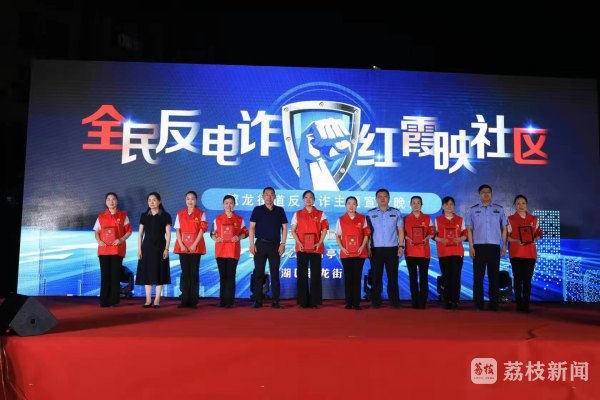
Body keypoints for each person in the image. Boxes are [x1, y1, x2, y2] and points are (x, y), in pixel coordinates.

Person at [466, 184, 507, 311]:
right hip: (478, 247)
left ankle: (494, 304)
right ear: (479, 195)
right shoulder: (472, 210)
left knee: (494, 276)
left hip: (494, 246)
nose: (486, 194)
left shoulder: (499, 209)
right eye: (483, 192)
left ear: (491, 194)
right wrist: (471, 247)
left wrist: (503, 245)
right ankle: (478, 304)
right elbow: (469, 229)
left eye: (488, 192)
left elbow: (504, 228)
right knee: (478, 277)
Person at [248, 187, 288, 308]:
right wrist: (251, 244)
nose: (269, 197)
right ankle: (257, 300)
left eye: (271, 194)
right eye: (266, 194)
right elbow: (252, 227)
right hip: (260, 244)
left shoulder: (280, 210)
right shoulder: (257, 210)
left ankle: (276, 301)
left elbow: (285, 228)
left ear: (275, 196)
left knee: (275, 273)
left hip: (275, 246)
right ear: (263, 197)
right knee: (258, 273)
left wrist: (283, 244)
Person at [366, 188, 405, 308]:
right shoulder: (370, 214)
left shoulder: (396, 212)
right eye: (380, 196)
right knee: (376, 276)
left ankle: (394, 301)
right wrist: (368, 248)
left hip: (392, 248)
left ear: (389, 198)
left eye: (385, 196)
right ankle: (376, 302)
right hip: (376, 249)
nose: (382, 199)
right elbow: (367, 233)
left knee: (392, 276)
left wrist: (401, 246)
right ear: (376, 199)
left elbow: (400, 231)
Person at [291, 190, 329, 308]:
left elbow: (325, 229)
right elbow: (293, 230)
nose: (308, 199)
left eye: (311, 197)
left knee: (316, 274)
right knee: (301, 274)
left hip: (316, 248)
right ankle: (303, 301)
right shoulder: (297, 214)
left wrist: (319, 242)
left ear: (314, 199)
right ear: (303, 200)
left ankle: (314, 301)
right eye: (306, 197)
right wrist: (299, 243)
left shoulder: (320, 214)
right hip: (302, 248)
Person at [93, 192, 132, 307]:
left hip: (117, 249)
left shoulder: (123, 215)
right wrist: (99, 241)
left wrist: (121, 239)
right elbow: (97, 232)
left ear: (117, 201)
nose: (111, 201)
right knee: (105, 275)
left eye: (113, 199)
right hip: (104, 249)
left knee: (115, 275)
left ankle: (114, 301)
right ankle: (104, 300)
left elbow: (129, 231)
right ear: (106, 202)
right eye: (108, 199)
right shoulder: (101, 216)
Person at [210, 195, 248, 308]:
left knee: (231, 276)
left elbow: (245, 233)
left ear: (234, 205)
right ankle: (222, 300)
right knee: (223, 276)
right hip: (221, 250)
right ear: (223, 205)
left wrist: (238, 237)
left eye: (231, 203)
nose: (228, 205)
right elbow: (212, 233)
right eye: (226, 203)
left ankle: (230, 301)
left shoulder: (239, 219)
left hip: (233, 250)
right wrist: (216, 238)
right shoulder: (217, 218)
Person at [506, 194, 542, 313]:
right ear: (515, 206)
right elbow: (507, 237)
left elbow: (539, 233)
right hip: (516, 253)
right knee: (517, 279)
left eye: (523, 203)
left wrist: (535, 238)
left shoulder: (534, 219)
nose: (521, 205)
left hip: (530, 254)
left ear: (526, 205)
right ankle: (518, 304)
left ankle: (526, 305)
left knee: (527, 280)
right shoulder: (510, 219)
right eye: (518, 203)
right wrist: (517, 241)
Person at [136, 192, 172, 308]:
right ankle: (148, 300)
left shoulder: (165, 215)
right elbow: (140, 234)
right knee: (146, 273)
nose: (151, 202)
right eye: (149, 200)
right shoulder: (144, 215)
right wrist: (139, 249)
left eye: (154, 200)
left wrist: (166, 249)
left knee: (159, 272)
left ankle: (156, 299)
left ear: (159, 201)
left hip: (160, 247)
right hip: (146, 247)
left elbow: (168, 234)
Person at [335, 196, 370, 310]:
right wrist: (342, 248)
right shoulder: (341, 219)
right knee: (348, 277)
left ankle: (356, 303)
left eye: (354, 203)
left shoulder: (362, 218)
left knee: (357, 277)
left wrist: (362, 246)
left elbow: (366, 234)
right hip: (346, 253)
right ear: (345, 205)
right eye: (349, 203)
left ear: (356, 205)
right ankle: (348, 302)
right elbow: (337, 235)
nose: (351, 206)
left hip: (359, 253)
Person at [173, 191, 207, 309]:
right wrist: (181, 245)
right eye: (188, 199)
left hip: (195, 248)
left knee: (194, 273)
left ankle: (193, 300)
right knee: (185, 273)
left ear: (196, 200)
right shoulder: (180, 213)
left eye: (192, 199)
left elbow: (202, 230)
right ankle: (184, 299)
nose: (190, 201)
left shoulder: (201, 214)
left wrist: (194, 245)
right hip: (182, 247)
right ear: (185, 200)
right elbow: (178, 230)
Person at [434, 196, 467, 310]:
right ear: (442, 206)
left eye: (451, 204)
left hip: (457, 252)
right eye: (447, 204)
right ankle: (447, 300)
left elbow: (465, 233)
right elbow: (433, 235)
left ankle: (455, 300)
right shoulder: (438, 219)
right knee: (446, 277)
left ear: (454, 206)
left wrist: (460, 239)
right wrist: (441, 239)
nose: (449, 206)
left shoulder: (460, 219)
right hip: (443, 252)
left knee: (456, 276)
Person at [403, 196, 434, 309]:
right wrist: (408, 238)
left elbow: (432, 232)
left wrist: (427, 238)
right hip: (410, 252)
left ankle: (423, 302)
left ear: (421, 205)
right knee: (413, 278)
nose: (416, 205)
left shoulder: (427, 218)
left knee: (423, 278)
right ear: (410, 205)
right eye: (414, 203)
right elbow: (402, 233)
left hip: (424, 252)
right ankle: (414, 301)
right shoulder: (406, 219)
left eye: (418, 203)